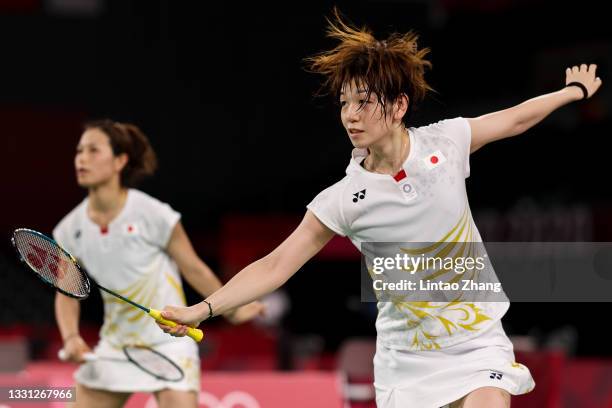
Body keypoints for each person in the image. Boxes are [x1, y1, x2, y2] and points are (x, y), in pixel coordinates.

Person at [156, 10, 602, 408]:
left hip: (475, 342)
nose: (350, 114)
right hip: (407, 361)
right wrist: (202, 310)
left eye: (363, 102)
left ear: (398, 106)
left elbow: (515, 118)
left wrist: (571, 92)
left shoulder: (445, 143)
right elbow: (275, 265)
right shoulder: (343, 200)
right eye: (345, 103)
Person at [53, 119, 264, 408]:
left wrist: (232, 309)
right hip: (117, 345)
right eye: (79, 152)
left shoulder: (152, 214)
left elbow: (193, 267)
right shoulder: (70, 228)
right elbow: (67, 291)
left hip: (170, 338)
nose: (81, 159)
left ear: (119, 161)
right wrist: (71, 337)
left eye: (93, 150)